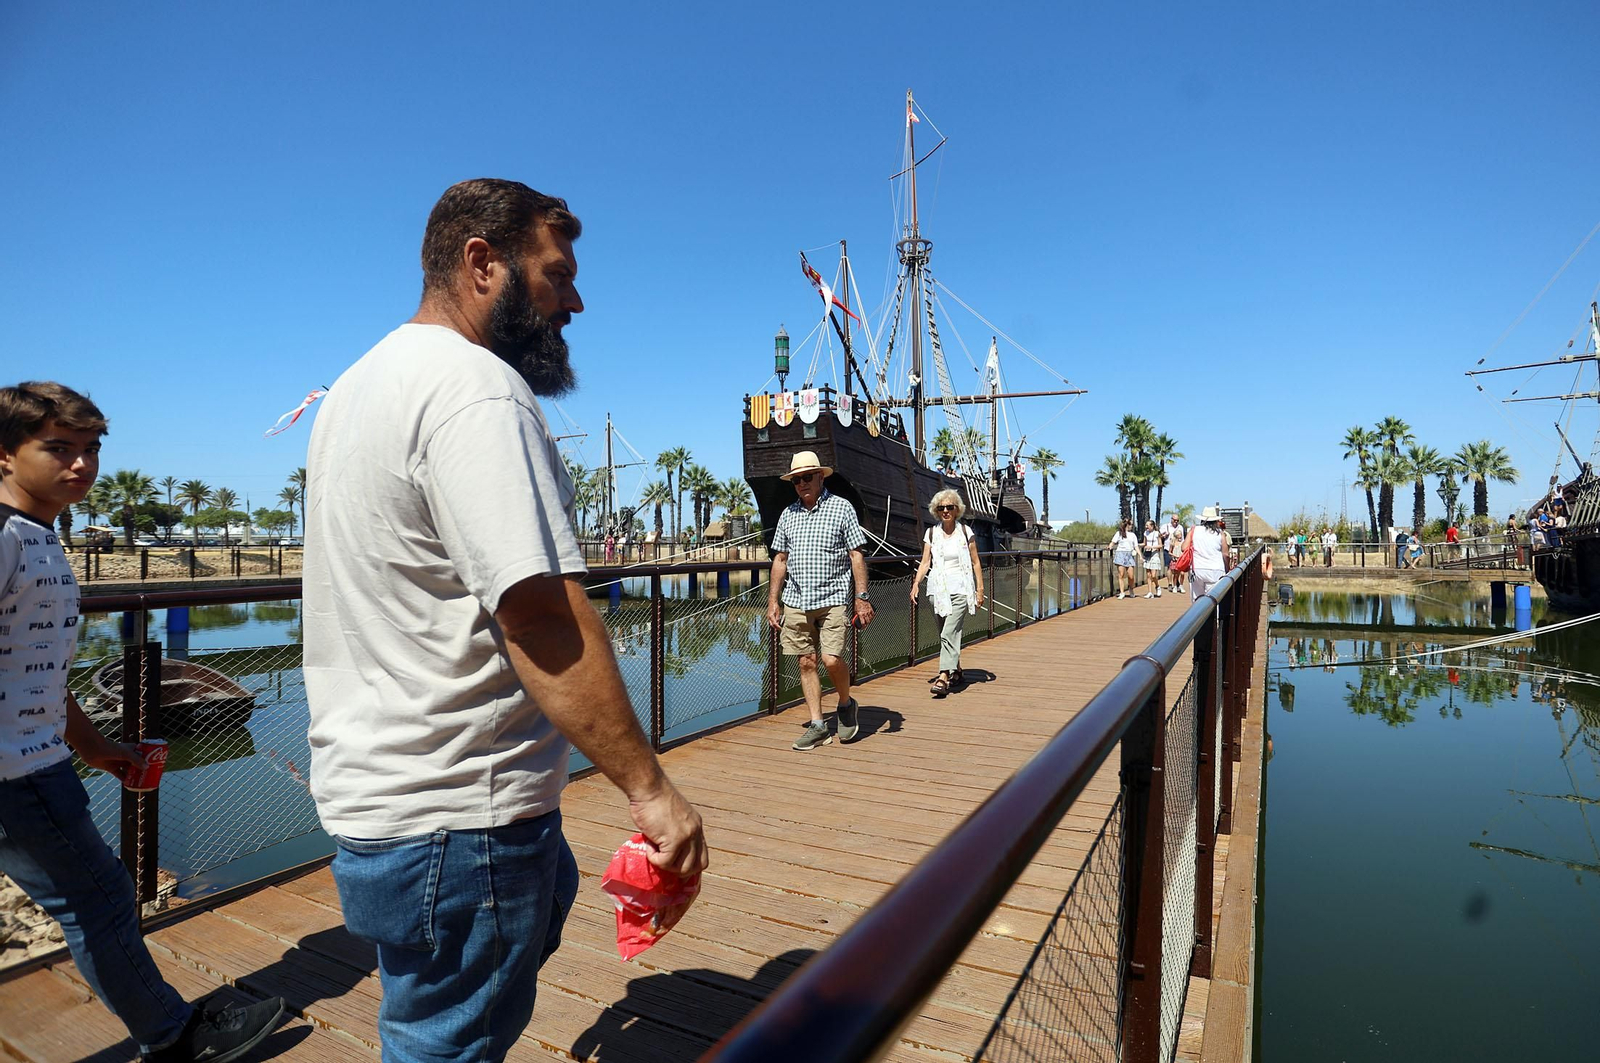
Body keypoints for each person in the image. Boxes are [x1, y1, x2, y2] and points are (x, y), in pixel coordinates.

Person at [303, 179, 707, 1062]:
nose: (575, 299)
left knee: (486, 962)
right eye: (557, 273)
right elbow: (541, 618)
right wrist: (651, 789)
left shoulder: (359, 387)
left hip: (383, 801)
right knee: (444, 1044)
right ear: (483, 262)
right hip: (459, 818)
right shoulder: (477, 391)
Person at [0, 382, 285, 1063]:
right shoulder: (8, 538)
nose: (81, 465)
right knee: (99, 899)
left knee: (92, 898)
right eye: (58, 448)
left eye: (91, 449)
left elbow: (37, 673)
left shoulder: (37, 536)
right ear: (5, 455)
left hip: (39, 758)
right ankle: (174, 1035)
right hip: (19, 771)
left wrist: (96, 746)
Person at [765, 450, 875, 750]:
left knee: (830, 658)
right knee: (806, 661)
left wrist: (862, 597)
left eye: (807, 477)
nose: (802, 483)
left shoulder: (842, 508)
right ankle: (817, 725)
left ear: (820, 477)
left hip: (834, 597)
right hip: (796, 599)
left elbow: (856, 554)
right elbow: (780, 559)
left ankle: (844, 702)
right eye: (797, 479)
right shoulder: (788, 514)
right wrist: (773, 601)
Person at [910, 489, 984, 697]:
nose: (945, 511)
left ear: (957, 509)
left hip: (961, 589)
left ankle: (943, 676)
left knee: (948, 633)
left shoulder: (965, 532)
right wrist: (916, 583)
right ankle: (957, 671)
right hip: (938, 590)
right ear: (936, 510)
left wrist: (980, 589)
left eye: (949, 507)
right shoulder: (931, 533)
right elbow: (925, 562)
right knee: (944, 631)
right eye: (941, 507)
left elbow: (976, 561)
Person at [1183, 506, 1233, 601]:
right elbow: (1225, 554)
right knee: (1213, 600)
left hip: (1197, 569)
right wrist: (1227, 568)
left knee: (1197, 600)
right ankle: (1214, 616)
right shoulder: (1220, 533)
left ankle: (1198, 615)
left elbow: (1184, 547)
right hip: (1216, 570)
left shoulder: (1194, 530)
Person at [1109, 519, 1139, 599]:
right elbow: (1113, 542)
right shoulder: (1119, 533)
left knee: (1131, 576)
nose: (1132, 526)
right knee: (1121, 574)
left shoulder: (1132, 535)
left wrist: (1140, 555)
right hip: (1120, 554)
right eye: (1131, 525)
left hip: (1129, 554)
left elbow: (1136, 546)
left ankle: (1131, 588)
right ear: (1127, 525)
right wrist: (1110, 546)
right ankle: (1122, 592)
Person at [1162, 513, 1185, 594]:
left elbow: (1183, 538)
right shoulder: (1166, 526)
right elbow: (1160, 535)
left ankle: (1177, 584)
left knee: (1179, 570)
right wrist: (1164, 535)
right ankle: (1170, 584)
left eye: (1177, 520)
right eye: (1174, 520)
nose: (1176, 522)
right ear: (1171, 519)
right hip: (1168, 548)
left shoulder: (1180, 527)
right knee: (1169, 567)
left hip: (1179, 551)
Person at [1141, 519, 1164, 598]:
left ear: (1152, 526)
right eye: (1146, 525)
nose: (1146, 527)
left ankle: (1157, 586)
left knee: (1153, 575)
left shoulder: (1157, 534)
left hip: (1154, 555)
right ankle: (1150, 592)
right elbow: (1144, 543)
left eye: (1148, 525)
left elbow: (1161, 545)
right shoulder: (1145, 533)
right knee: (1148, 575)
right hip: (1148, 555)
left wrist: (1152, 547)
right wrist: (1137, 545)